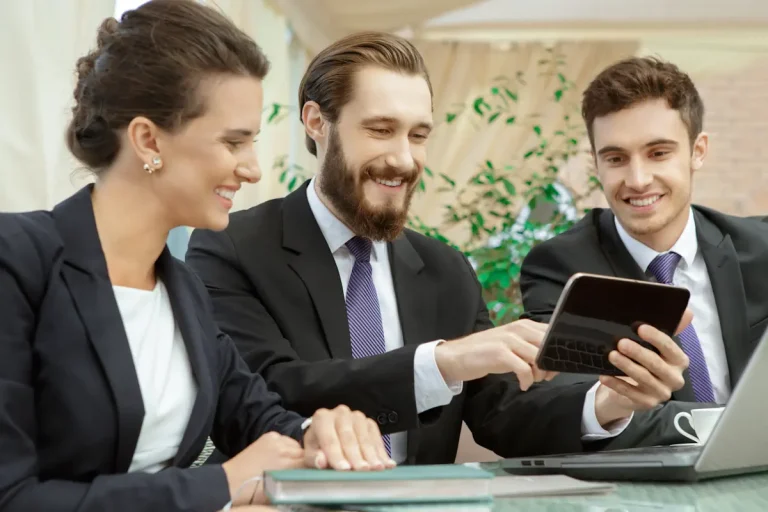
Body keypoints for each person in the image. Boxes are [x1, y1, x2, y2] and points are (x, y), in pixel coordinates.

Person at [185, 32, 691, 465]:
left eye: (419, 135)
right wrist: (441, 363)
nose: (403, 159)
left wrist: (606, 402)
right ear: (317, 122)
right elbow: (264, 397)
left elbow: (502, 415)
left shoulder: (444, 268)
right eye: (381, 130)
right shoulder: (231, 247)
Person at [0, 3, 392, 511]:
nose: (251, 169)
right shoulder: (18, 261)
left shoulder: (181, 288)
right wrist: (221, 485)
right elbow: (11, 496)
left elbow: (260, 421)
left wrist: (321, 431)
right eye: (234, 143)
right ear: (147, 139)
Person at [520, 56, 768, 445]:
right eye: (616, 158)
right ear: (595, 165)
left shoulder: (762, 249)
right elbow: (554, 403)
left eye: (658, 153)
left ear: (697, 152)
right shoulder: (562, 266)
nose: (637, 180)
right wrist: (608, 403)